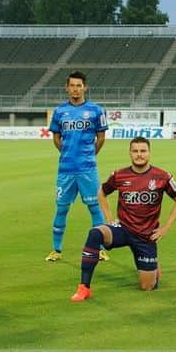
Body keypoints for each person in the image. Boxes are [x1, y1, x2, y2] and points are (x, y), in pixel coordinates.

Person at [70, 137, 176, 301]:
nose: (139, 155)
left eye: (143, 151)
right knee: (95, 233)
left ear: (149, 153)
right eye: (135, 151)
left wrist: (165, 228)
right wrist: (109, 219)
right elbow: (102, 193)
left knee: (147, 287)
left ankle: (153, 269)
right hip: (122, 229)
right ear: (130, 153)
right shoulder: (119, 175)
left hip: (146, 236)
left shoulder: (162, 176)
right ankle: (84, 288)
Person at [46, 71, 108, 262]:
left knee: (95, 207)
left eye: (79, 85)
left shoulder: (96, 110)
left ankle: (100, 249)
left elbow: (101, 138)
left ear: (85, 87)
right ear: (67, 88)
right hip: (66, 169)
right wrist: (66, 153)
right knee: (62, 208)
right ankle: (56, 250)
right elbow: (56, 138)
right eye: (72, 85)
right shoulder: (59, 112)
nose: (75, 89)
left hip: (87, 169)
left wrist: (88, 155)